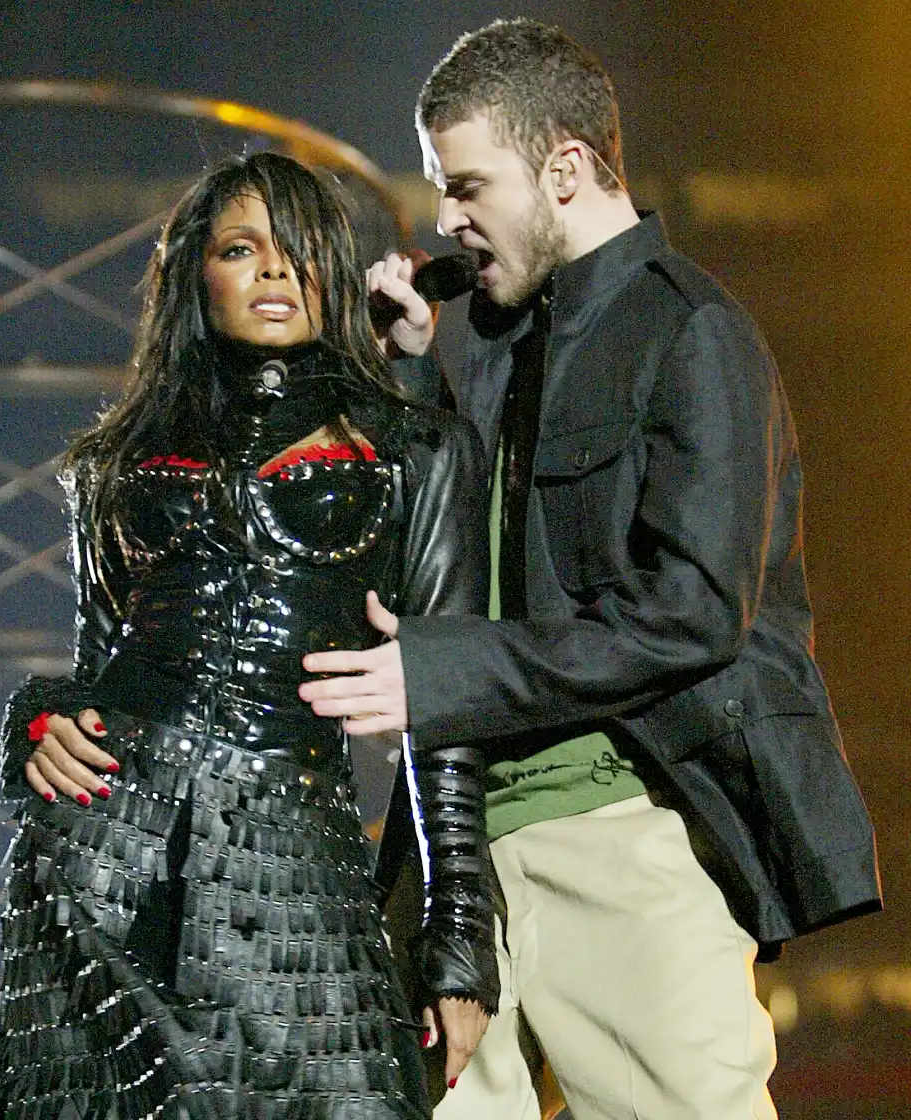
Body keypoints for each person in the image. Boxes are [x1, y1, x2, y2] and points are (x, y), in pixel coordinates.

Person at [298, 18, 882, 1120]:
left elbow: (693, 614)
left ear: (564, 168)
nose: (444, 220)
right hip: (462, 863)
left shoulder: (694, 333)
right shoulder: (488, 336)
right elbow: (461, 564)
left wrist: (448, 673)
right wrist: (416, 381)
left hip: (628, 841)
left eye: (467, 184)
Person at [0, 151, 499, 1120]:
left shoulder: (417, 450)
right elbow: (94, 670)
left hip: (299, 873)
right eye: (239, 248)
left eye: (295, 250)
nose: (270, 271)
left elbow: (447, 711)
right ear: (195, 274)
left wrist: (458, 941)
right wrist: (36, 724)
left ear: (333, 272)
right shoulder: (113, 463)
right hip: (106, 868)